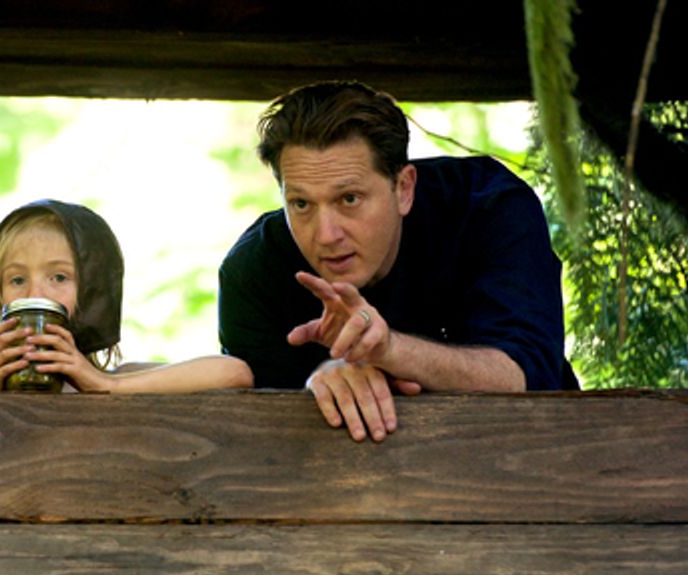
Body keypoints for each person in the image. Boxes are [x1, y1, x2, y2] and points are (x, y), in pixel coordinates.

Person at [218, 80, 578, 442]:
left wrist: (388, 351)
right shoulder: (253, 272)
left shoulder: (488, 209)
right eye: (301, 204)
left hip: (533, 460)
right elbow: (255, 421)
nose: (326, 234)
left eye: (349, 199)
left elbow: (529, 376)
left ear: (404, 189)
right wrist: (311, 387)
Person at [0, 199, 252, 394]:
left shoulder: (120, 379)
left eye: (59, 278)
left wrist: (101, 383)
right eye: (17, 280)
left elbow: (233, 373)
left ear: (94, 292)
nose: (35, 294)